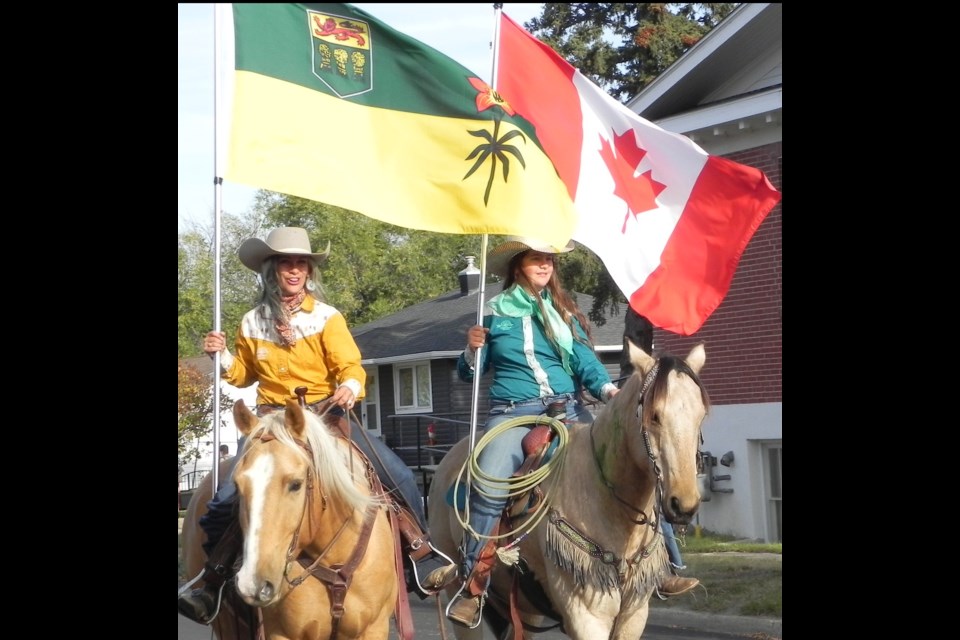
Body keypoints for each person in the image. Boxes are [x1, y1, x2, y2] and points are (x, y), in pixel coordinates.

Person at [178, 227, 451, 624]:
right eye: (286, 263)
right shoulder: (252, 322)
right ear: (272, 270)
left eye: (300, 264)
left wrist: (349, 386)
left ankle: (420, 556)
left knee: (395, 472)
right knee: (224, 497)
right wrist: (220, 357)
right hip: (271, 421)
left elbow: (350, 365)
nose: (294, 271)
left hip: (325, 419)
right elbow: (241, 376)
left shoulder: (326, 317)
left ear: (308, 272)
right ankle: (212, 580)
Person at [432, 236, 698, 627]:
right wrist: (472, 351)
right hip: (514, 413)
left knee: (634, 462)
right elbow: (470, 373)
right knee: (488, 484)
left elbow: (585, 362)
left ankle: (665, 566)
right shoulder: (494, 314)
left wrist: (607, 389)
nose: (544, 265)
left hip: (568, 409)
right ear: (517, 265)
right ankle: (475, 583)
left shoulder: (564, 314)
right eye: (536, 258)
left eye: (549, 260)